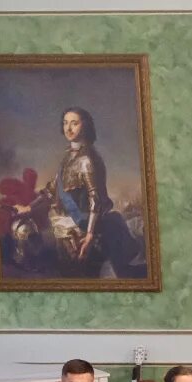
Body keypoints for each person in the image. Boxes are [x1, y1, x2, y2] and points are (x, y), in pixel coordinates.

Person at [45, 107, 143, 278]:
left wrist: (89, 234)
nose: (68, 128)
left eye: (74, 123)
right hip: (64, 227)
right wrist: (29, 208)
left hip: (83, 229)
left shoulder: (87, 160)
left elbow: (95, 199)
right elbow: (52, 188)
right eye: (65, 123)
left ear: (85, 126)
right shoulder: (68, 156)